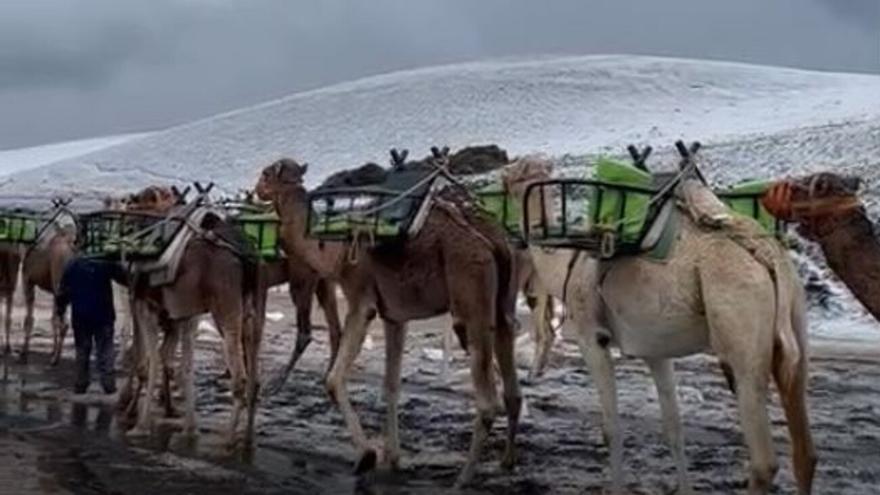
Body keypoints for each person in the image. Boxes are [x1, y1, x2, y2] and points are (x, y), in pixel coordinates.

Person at [55, 256, 127, 395]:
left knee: (82, 351)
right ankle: (108, 386)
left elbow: (62, 293)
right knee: (105, 351)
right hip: (103, 315)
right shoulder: (105, 262)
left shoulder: (73, 264)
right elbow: (124, 278)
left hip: (81, 316)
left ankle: (81, 385)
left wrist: (60, 312)